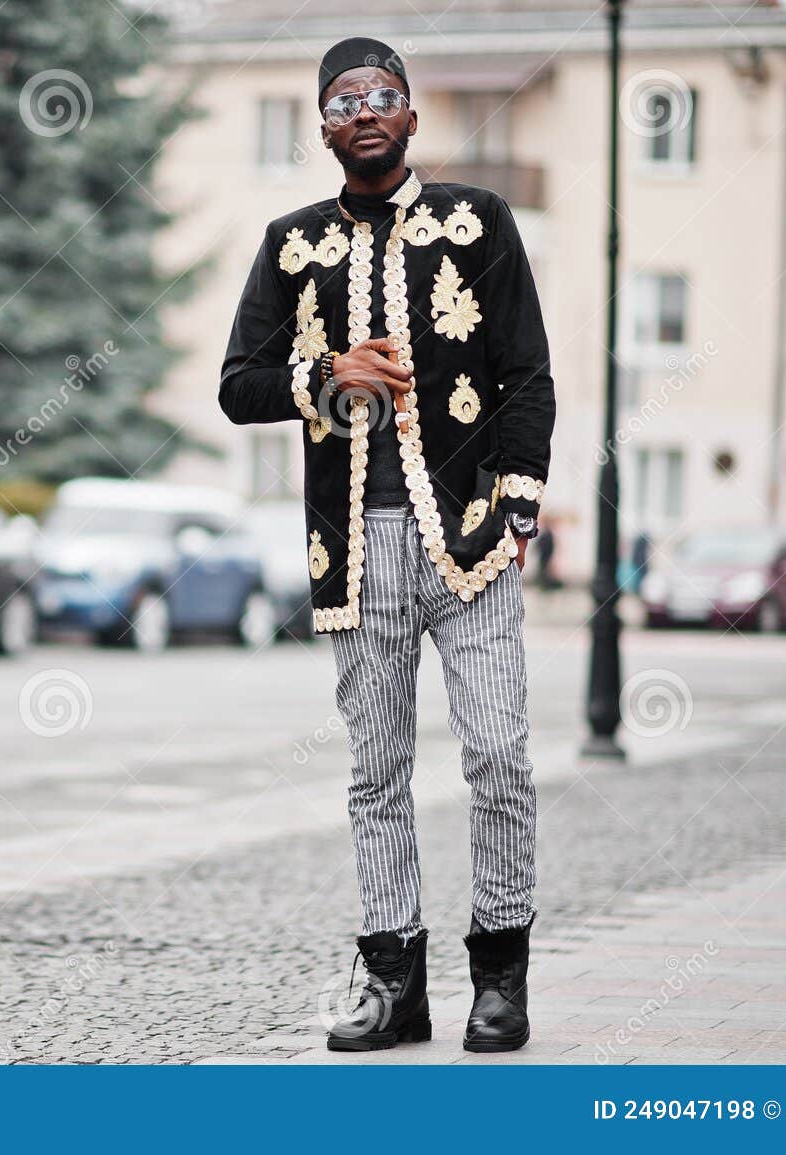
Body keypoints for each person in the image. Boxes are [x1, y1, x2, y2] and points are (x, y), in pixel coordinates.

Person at [218, 36, 555, 1053]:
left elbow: (526, 373)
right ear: (323, 127)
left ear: (410, 118)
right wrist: (325, 374)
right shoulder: (291, 243)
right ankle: (391, 986)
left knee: (498, 756)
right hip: (353, 549)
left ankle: (500, 979)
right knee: (377, 774)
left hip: (470, 540)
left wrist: (520, 503)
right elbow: (238, 386)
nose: (365, 110)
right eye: (343, 99)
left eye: (384, 95)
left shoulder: (475, 219)